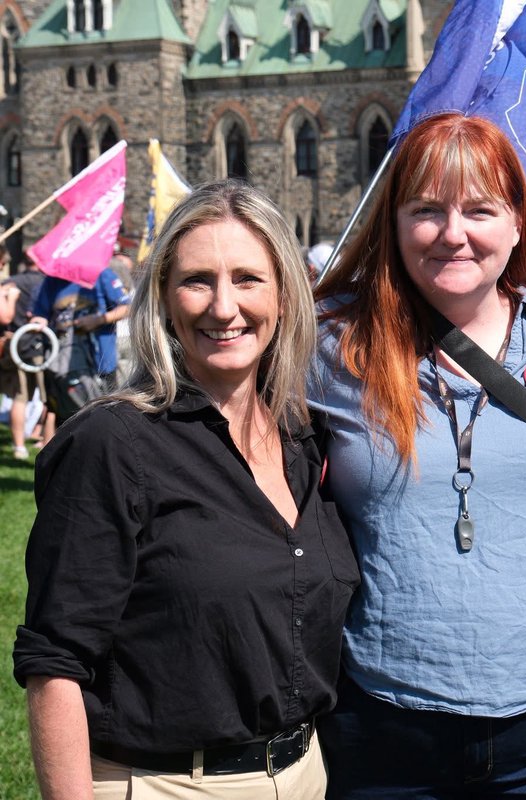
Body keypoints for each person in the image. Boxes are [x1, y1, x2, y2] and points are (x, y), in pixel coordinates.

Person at [310, 113, 526, 798]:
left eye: (479, 209)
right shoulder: (330, 344)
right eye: (427, 210)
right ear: (393, 222)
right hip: (385, 725)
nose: (454, 233)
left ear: (517, 222)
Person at [13, 180, 359, 799]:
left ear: (284, 294)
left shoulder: (305, 438)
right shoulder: (113, 444)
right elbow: (56, 663)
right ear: (165, 299)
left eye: (249, 278)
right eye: (198, 280)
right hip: (164, 784)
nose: (224, 307)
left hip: (306, 775)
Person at [29, 261, 131, 419]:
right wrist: (39, 321)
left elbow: (127, 308)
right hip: (62, 365)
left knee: (104, 419)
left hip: (100, 364)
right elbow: (40, 314)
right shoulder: (53, 279)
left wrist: (98, 320)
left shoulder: (101, 273)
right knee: (68, 419)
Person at [0, 256, 47, 458]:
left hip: (15, 344)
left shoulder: (10, 282)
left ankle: (19, 446)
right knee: (48, 399)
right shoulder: (46, 284)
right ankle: (43, 438)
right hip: (40, 347)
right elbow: (5, 316)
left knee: (20, 397)